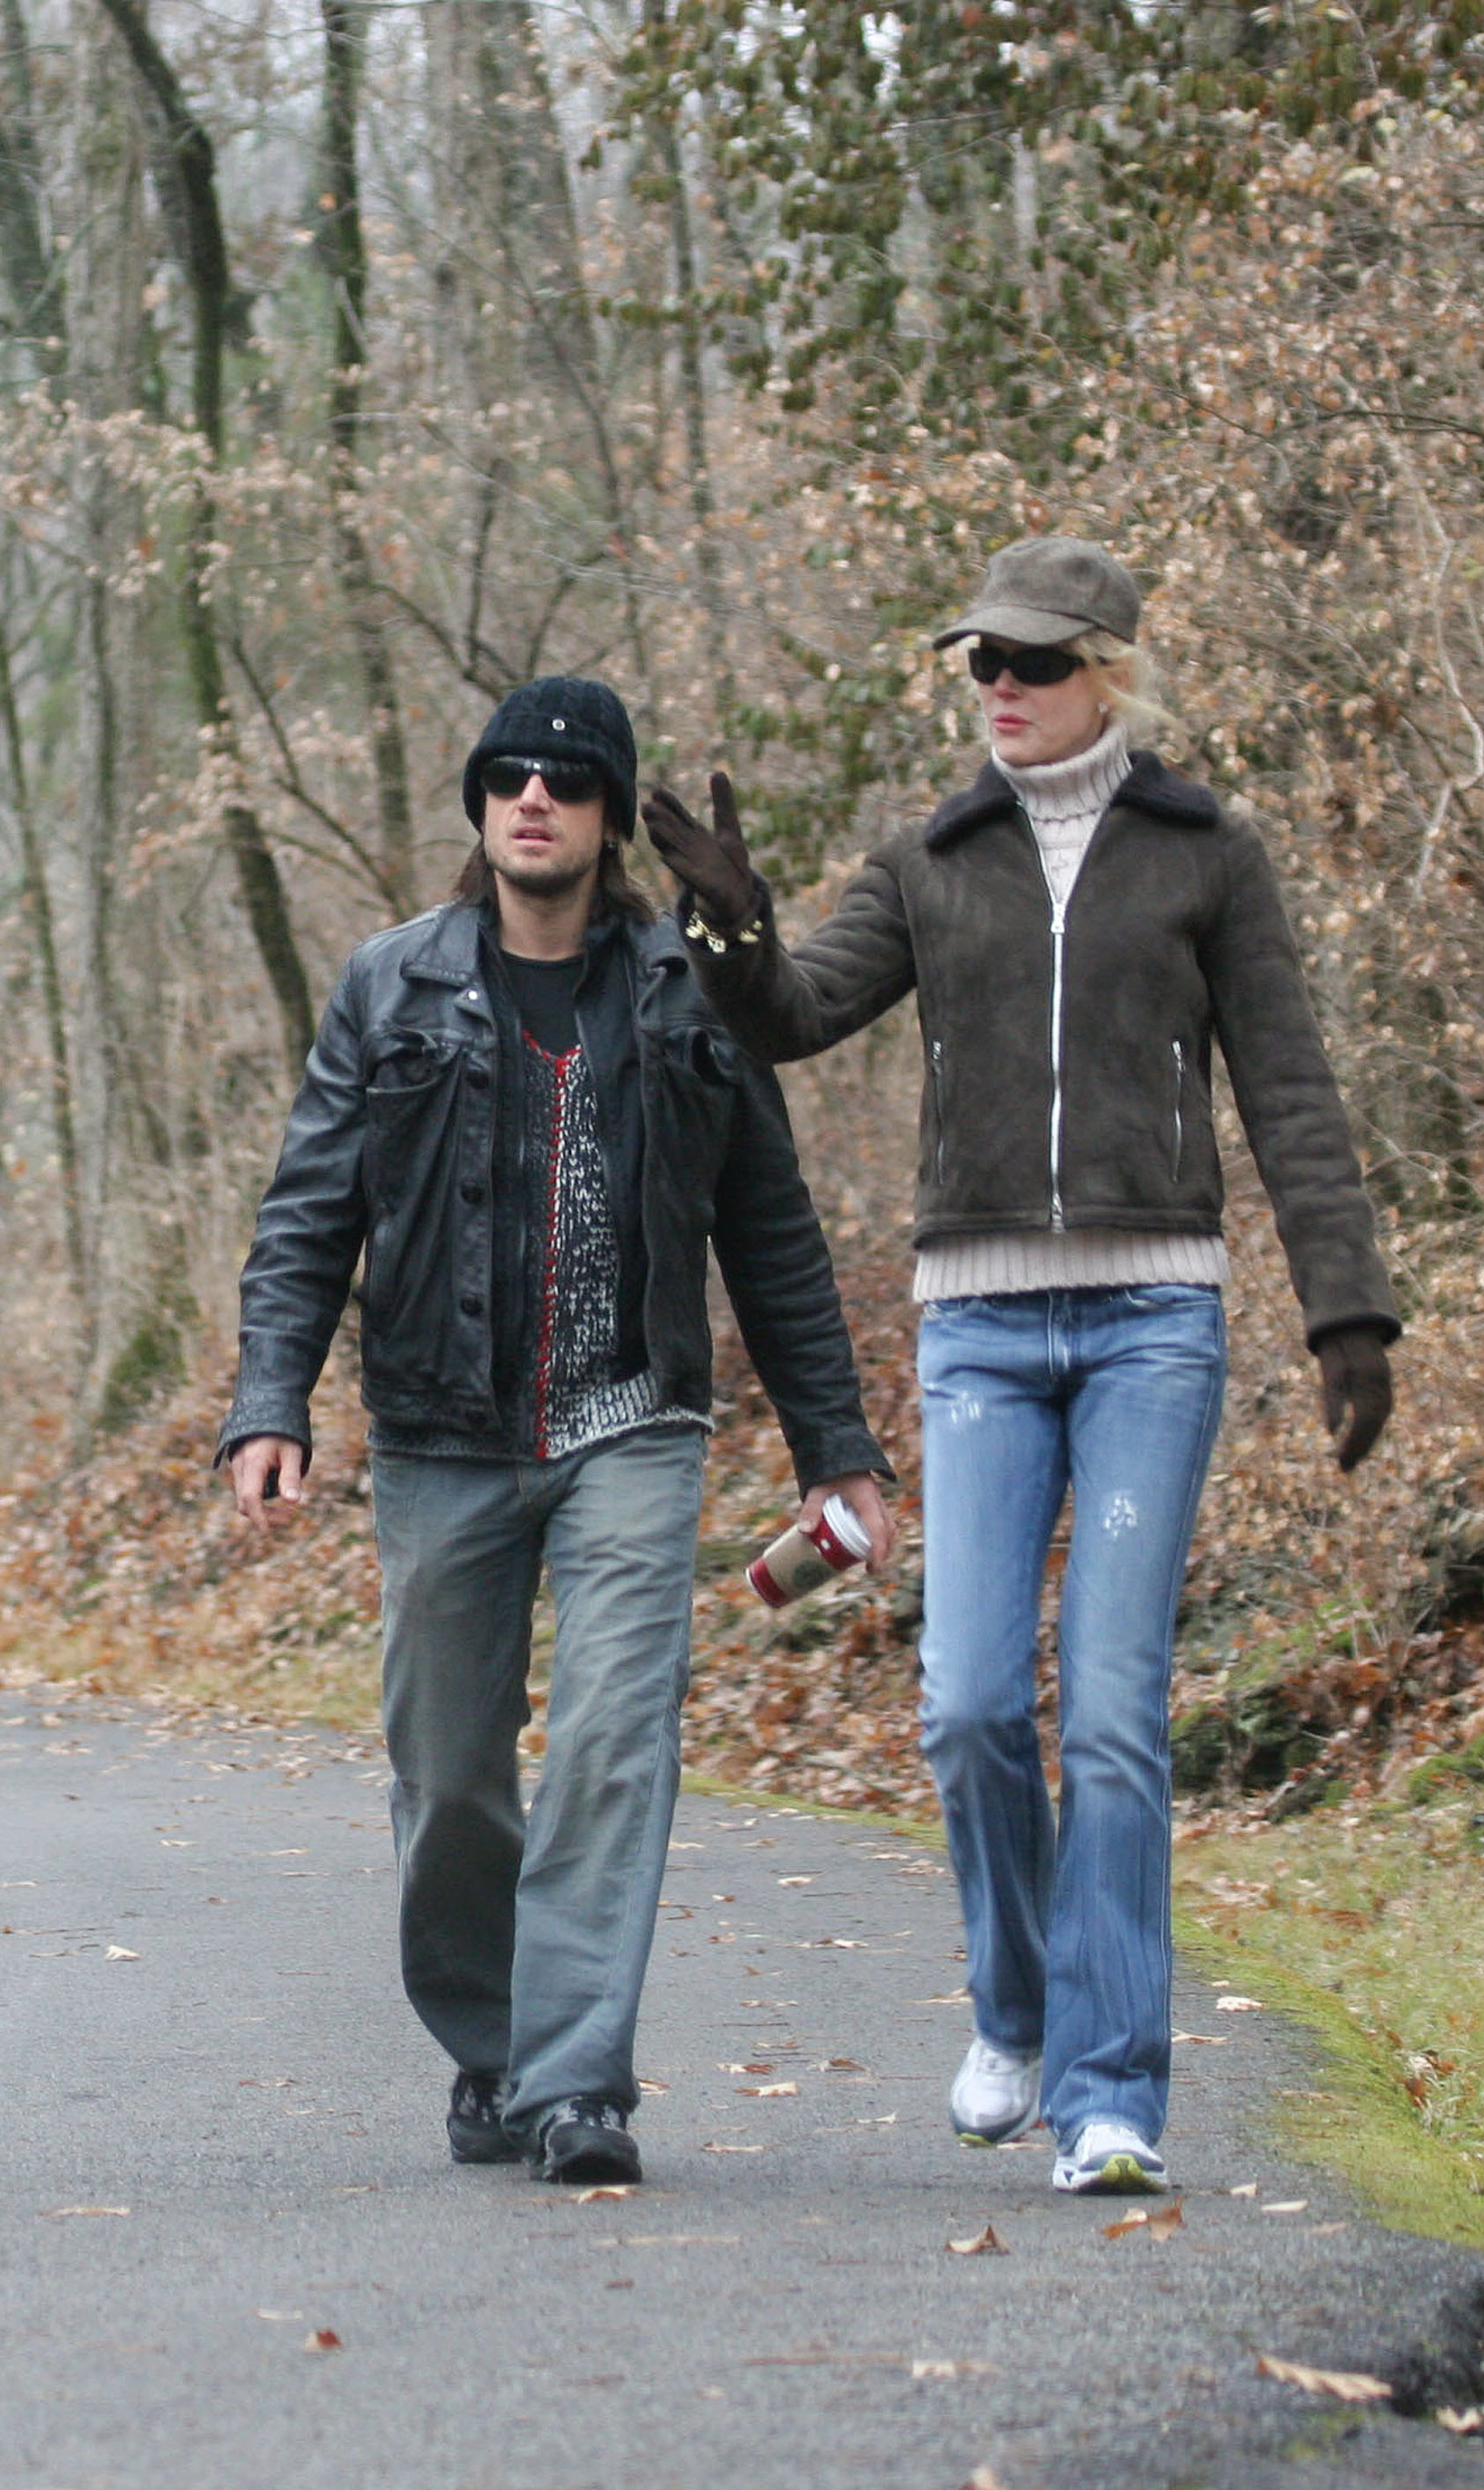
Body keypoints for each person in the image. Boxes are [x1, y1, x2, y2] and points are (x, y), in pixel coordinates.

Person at [642, 538, 1399, 2197]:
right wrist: (728, 918)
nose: (999, 682)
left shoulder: (1209, 854)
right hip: (979, 1329)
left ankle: (1112, 2087)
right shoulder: (932, 853)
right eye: (980, 657)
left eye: (1032, 660)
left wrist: (1348, 1305)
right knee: (974, 1698)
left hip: (1149, 1323)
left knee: (1113, 1715)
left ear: (1107, 672)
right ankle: (1014, 2003)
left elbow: (1288, 1083)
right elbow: (787, 1015)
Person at [219, 675, 891, 2188]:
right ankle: (495, 2045)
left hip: (633, 1423)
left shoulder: (684, 991)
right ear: (480, 803)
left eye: (570, 783)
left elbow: (770, 1230)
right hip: (443, 1433)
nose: (537, 799)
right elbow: (310, 1210)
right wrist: (273, 1401)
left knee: (609, 1742)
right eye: (512, 777)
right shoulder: (390, 984)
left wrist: (834, 1444)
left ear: (608, 819)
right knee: (449, 1773)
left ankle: (578, 2082)